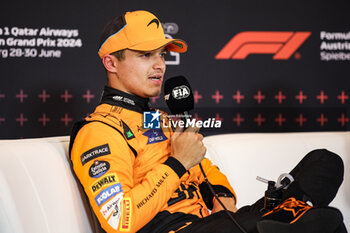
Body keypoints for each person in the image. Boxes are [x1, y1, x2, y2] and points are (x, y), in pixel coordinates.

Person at [69, 10, 347, 233]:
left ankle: (289, 214)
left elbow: (210, 175)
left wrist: (223, 205)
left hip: (215, 224)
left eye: (162, 54)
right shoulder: (98, 131)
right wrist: (176, 164)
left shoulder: (160, 119)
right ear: (111, 63)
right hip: (177, 229)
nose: (160, 65)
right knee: (324, 222)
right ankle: (293, 217)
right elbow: (120, 221)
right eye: (145, 55)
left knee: (324, 162)